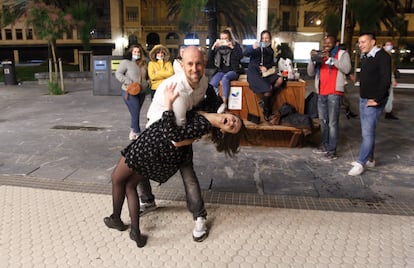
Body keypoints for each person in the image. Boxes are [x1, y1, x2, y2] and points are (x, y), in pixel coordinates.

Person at [104, 84, 246, 248]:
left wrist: (168, 104)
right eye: (235, 120)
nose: (232, 123)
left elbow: (174, 135)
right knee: (130, 185)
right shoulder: (211, 109)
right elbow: (204, 86)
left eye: (232, 127)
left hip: (151, 145)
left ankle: (117, 219)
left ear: (223, 132)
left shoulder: (203, 125)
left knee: (116, 178)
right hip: (156, 147)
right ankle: (134, 230)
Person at [139, 46, 223, 242]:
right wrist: (202, 127)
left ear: (204, 64)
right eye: (190, 64)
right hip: (158, 133)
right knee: (138, 165)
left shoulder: (203, 82)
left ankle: (199, 216)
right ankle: (147, 201)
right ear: (182, 65)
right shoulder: (177, 91)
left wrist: (214, 112)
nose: (195, 69)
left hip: (181, 129)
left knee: (188, 174)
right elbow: (176, 135)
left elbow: (207, 102)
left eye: (199, 64)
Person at [348, 33, 391, 176]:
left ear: (373, 42)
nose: (360, 45)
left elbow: (386, 80)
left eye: (363, 42)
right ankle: (370, 159)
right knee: (367, 132)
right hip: (364, 99)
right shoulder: (367, 56)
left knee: (367, 133)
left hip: (373, 101)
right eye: (359, 42)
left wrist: (377, 100)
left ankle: (361, 163)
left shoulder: (383, 56)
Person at [307, 35, 352, 160]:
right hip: (321, 91)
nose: (326, 45)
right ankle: (324, 145)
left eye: (329, 43)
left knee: (332, 122)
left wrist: (331, 59)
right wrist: (312, 59)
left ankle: (332, 149)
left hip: (334, 92)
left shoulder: (342, 54)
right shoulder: (320, 55)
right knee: (323, 121)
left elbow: (347, 69)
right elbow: (310, 73)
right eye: (325, 42)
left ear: (336, 43)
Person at [244, 30, 284, 121]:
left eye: (267, 38)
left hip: (265, 74)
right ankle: (266, 111)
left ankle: (266, 100)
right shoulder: (256, 47)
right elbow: (245, 54)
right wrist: (252, 47)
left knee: (280, 80)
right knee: (268, 88)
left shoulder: (270, 50)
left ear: (270, 39)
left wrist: (266, 67)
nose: (265, 40)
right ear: (260, 39)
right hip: (254, 73)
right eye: (263, 38)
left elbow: (271, 63)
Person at [115, 44, 149, 140]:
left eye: (138, 52)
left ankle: (132, 131)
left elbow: (147, 76)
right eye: (135, 52)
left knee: (136, 112)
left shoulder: (143, 63)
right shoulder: (126, 62)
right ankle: (137, 132)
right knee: (135, 111)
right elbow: (118, 73)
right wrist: (128, 81)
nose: (137, 53)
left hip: (141, 92)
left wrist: (147, 83)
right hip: (129, 91)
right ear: (131, 52)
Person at [209, 29, 243, 113]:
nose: (224, 40)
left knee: (225, 78)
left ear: (230, 38)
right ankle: (216, 101)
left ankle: (224, 103)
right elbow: (210, 59)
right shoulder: (219, 48)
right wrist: (213, 47)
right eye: (222, 38)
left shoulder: (235, 45)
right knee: (211, 84)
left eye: (226, 38)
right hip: (221, 71)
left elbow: (240, 57)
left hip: (234, 71)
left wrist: (232, 47)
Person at [383, 40, 399, 120]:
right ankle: (388, 112)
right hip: (385, 79)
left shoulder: (389, 56)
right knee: (388, 96)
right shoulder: (385, 56)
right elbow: (388, 70)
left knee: (389, 96)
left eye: (390, 45)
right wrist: (393, 79)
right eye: (387, 44)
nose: (389, 46)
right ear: (384, 46)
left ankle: (388, 112)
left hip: (386, 79)